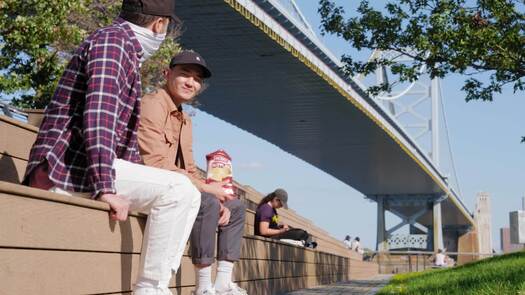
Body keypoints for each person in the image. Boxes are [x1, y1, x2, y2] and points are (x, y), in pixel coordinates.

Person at [23, 1, 199, 294]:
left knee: (187, 192)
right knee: (179, 190)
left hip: (80, 165)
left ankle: (155, 287)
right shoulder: (114, 44)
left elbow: (121, 139)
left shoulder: (122, 46)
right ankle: (150, 289)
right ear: (160, 25)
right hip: (64, 168)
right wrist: (106, 188)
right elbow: (98, 118)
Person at [137, 50, 247, 295]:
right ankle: (203, 286)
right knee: (207, 200)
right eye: (185, 74)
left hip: (177, 187)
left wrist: (216, 194)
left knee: (235, 206)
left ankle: (223, 283)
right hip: (148, 184)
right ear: (167, 74)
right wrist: (207, 189)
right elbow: (153, 162)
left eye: (197, 79)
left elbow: (187, 169)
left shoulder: (185, 120)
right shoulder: (152, 104)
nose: (191, 82)